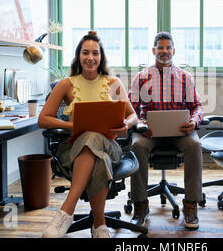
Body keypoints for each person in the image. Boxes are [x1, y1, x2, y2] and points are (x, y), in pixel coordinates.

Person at [38, 31, 138, 238]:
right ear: (78, 56)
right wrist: (72, 126)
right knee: (96, 155)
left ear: (101, 57)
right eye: (85, 52)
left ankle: (65, 212)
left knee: (93, 138)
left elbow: (133, 116)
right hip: (73, 148)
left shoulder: (113, 83)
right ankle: (99, 225)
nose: (90, 57)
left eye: (95, 53)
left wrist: (126, 126)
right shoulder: (66, 84)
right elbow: (43, 119)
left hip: (110, 147)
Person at [128, 32, 204, 229]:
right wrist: (140, 125)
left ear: (173, 51)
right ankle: (140, 205)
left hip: (180, 132)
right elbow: (131, 109)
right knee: (137, 146)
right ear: (154, 51)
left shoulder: (185, 78)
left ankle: (190, 205)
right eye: (160, 48)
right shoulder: (142, 77)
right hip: (150, 133)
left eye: (168, 48)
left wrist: (194, 122)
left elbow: (197, 107)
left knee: (195, 145)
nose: (164, 52)